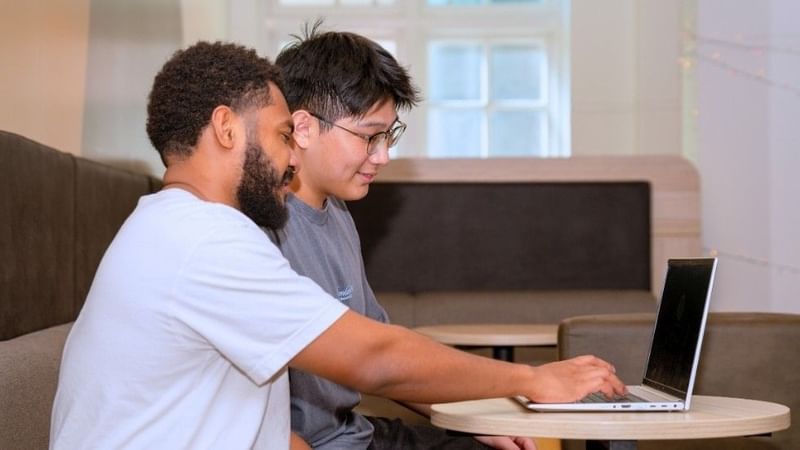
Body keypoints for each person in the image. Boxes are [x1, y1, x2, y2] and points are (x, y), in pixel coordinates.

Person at [50, 41, 624, 450]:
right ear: (227, 130)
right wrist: (533, 380)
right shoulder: (203, 237)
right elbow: (372, 359)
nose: (291, 156)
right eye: (280, 136)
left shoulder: (180, 227)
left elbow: (258, 428)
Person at [269, 27, 599, 450]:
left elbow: (389, 357)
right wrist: (532, 380)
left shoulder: (337, 213)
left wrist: (474, 418)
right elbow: (252, 417)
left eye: (389, 136)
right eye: (370, 136)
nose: (383, 156)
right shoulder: (262, 229)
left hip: (357, 434)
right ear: (303, 128)